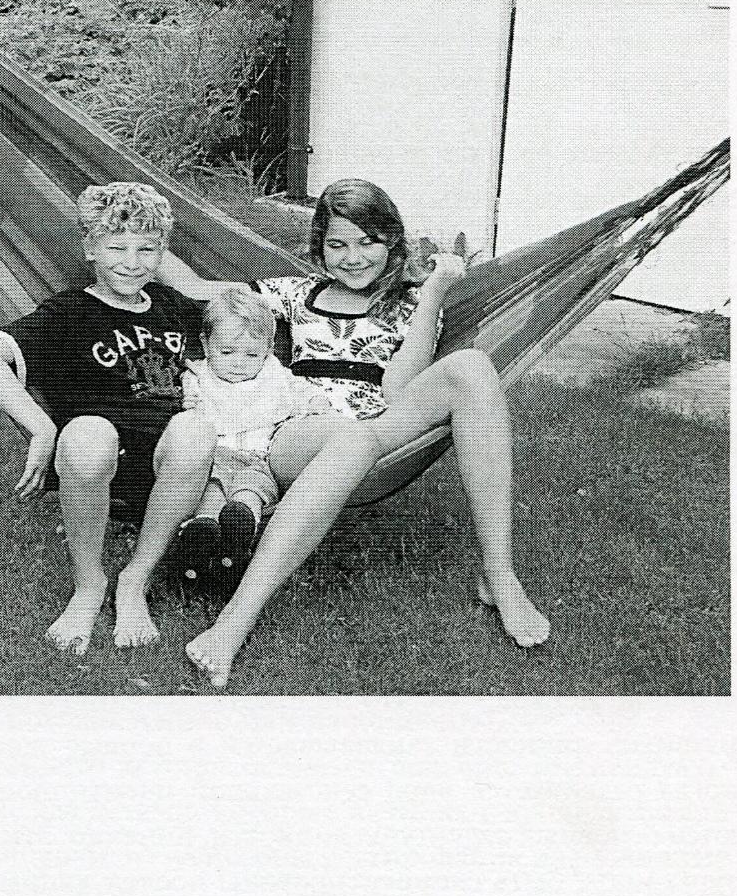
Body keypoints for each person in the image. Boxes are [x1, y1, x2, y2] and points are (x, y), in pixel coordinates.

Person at [156, 177, 551, 688]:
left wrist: (432, 295)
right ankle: (235, 620)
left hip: (383, 432)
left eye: (368, 241)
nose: (353, 257)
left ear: (392, 243)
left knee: (472, 367)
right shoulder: (294, 293)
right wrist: (143, 235)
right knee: (351, 438)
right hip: (300, 433)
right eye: (337, 244)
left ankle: (499, 573)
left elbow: (399, 389)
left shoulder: (413, 304)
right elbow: (196, 289)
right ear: (319, 247)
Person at [0, 181, 216, 655]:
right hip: (93, 458)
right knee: (88, 432)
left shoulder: (173, 305)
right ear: (90, 250)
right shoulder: (70, 311)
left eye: (147, 249)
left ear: (163, 254)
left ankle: (135, 579)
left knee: (196, 427)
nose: (132, 262)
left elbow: (237, 311)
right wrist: (41, 428)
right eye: (116, 248)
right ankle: (89, 584)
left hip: (170, 462)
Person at [174, 285, 330, 583]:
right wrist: (189, 399)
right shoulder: (197, 376)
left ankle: (239, 535)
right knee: (211, 492)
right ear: (205, 344)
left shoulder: (274, 376)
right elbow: (185, 404)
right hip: (212, 460)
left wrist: (316, 402)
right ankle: (201, 535)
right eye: (226, 352)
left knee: (250, 492)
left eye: (251, 354)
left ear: (268, 349)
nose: (238, 362)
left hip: (256, 459)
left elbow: (303, 390)